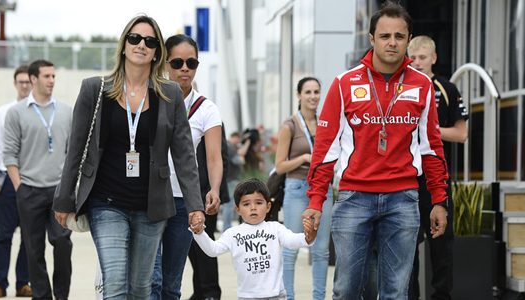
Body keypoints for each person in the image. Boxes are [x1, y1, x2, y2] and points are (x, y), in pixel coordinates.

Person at [302, 2, 450, 299]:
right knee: (346, 290)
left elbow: (431, 147)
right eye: (385, 36)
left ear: (408, 40)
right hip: (354, 198)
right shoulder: (345, 84)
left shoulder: (422, 85)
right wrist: (316, 201)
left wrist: (439, 199)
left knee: (395, 292)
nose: (392, 42)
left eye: (399, 36)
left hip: (403, 200)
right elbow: (325, 149)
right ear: (372, 39)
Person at [52, 15, 205, 299]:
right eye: (134, 38)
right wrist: (63, 198)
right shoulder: (94, 89)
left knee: (141, 287)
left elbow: (185, 156)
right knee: (115, 283)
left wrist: (195, 205)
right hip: (106, 202)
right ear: (124, 45)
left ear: (157, 51)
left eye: (149, 41)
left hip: (152, 206)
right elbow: (75, 149)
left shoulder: (169, 94)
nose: (141, 45)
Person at [150, 33, 225, 300]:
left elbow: (214, 157)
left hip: (183, 200)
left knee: (171, 282)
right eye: (178, 62)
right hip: (150, 198)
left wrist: (214, 188)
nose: (184, 68)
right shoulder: (150, 99)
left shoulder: (207, 109)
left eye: (191, 63)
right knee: (152, 277)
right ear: (165, 63)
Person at [4, 59, 73, 300]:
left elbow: (73, 153)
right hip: (29, 190)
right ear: (33, 79)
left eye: (54, 76)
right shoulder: (16, 113)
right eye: (47, 76)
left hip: (59, 191)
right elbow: (9, 154)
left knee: (63, 242)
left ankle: (61, 295)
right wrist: (19, 187)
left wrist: (70, 186)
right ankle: (42, 296)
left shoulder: (66, 111)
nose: (52, 81)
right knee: (34, 249)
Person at [407, 35, 468, 300]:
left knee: (441, 243)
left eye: (423, 57)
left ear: (433, 58)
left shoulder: (447, 88)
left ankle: (441, 296)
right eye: (414, 58)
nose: (418, 63)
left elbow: (461, 133)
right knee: (407, 243)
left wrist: (430, 131)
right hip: (406, 178)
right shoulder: (401, 87)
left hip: (437, 178)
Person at [190, 178, 316, 300]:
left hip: (276, 294)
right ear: (237, 209)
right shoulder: (233, 234)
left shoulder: (276, 228)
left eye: (259, 203)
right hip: (247, 296)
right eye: (246, 204)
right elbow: (213, 250)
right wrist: (199, 233)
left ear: (268, 206)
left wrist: (308, 237)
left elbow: (291, 240)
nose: (253, 208)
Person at [274, 77, 333, 300]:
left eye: (316, 92)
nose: (313, 96)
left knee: (321, 251)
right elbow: (280, 166)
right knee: (290, 249)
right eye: (308, 92)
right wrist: (305, 158)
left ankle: (319, 298)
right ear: (299, 95)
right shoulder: (290, 125)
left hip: (323, 189)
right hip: (297, 187)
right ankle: (288, 297)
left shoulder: (325, 123)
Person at [0, 65, 33, 298]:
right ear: (15, 84)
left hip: (33, 179)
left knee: (29, 236)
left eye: (27, 81)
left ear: (34, 82)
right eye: (20, 82)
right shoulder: (4, 111)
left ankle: (23, 283)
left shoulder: (40, 111)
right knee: (3, 234)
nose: (24, 85)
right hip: (7, 180)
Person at [221, 132, 243, 231]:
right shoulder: (230, 147)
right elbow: (238, 160)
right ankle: (226, 226)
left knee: (229, 204)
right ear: (234, 137)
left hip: (230, 179)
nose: (238, 141)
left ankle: (227, 225)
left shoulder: (229, 146)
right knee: (229, 204)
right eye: (238, 139)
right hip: (231, 179)